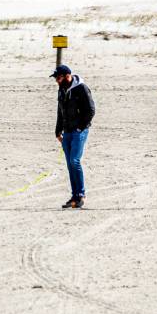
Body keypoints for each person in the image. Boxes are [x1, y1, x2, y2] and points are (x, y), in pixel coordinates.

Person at [52, 64, 95, 209]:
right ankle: (74, 196)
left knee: (74, 161)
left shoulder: (81, 88)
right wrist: (58, 130)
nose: (57, 81)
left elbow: (91, 110)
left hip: (79, 131)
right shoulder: (61, 89)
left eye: (58, 78)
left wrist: (79, 127)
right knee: (70, 165)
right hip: (67, 131)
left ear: (67, 76)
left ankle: (81, 195)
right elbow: (60, 111)